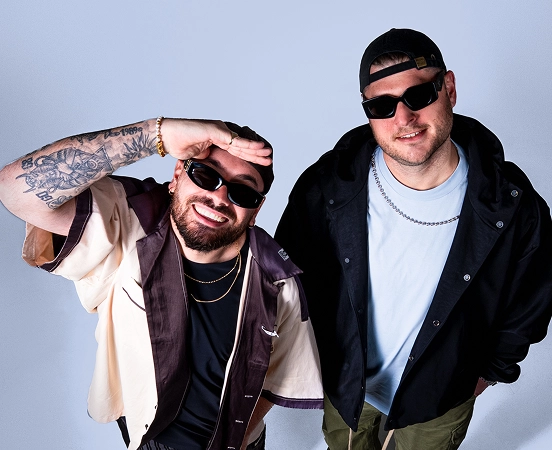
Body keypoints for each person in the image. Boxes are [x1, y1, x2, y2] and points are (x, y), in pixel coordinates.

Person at [275, 28, 552, 450]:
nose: (403, 118)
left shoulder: (514, 206)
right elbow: (288, 278)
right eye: (382, 106)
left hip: (438, 402)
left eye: (419, 95)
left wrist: (486, 373)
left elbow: (531, 302)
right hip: (345, 388)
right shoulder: (327, 187)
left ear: (449, 88)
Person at [0, 117, 323, 450]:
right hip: (147, 438)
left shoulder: (278, 278)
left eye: (242, 192)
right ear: (178, 174)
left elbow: (277, 378)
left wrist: (235, 440)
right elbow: (14, 189)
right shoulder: (127, 223)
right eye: (205, 175)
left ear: (255, 211)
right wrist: (158, 134)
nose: (219, 197)